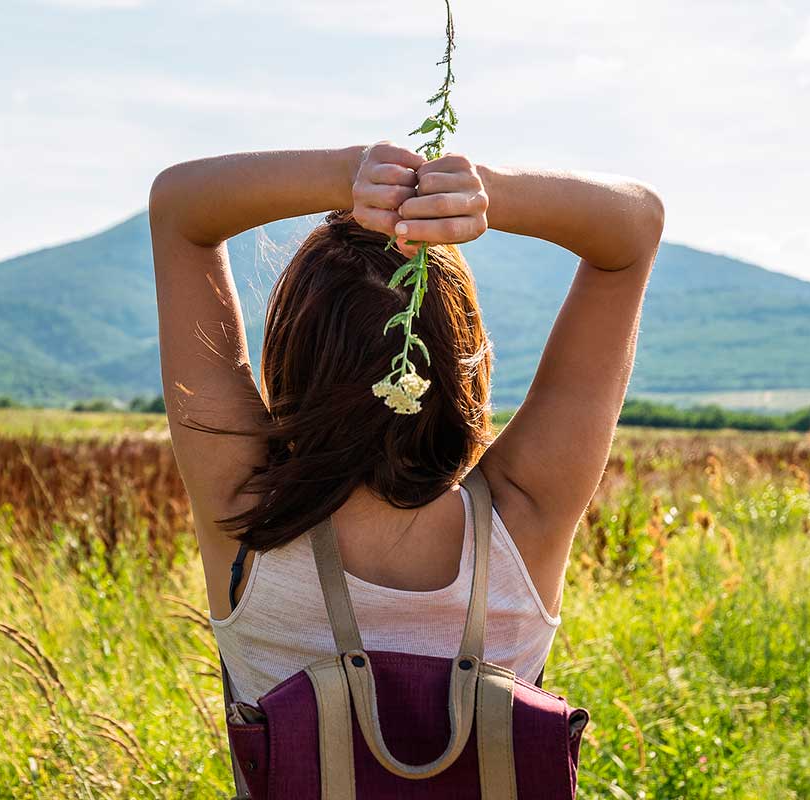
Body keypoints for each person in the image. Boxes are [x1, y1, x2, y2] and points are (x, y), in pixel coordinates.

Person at [148, 142, 663, 708]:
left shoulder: (245, 515)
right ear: (464, 363)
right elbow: (635, 227)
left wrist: (350, 175)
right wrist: (487, 190)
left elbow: (179, 208)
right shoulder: (523, 518)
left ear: (292, 358)